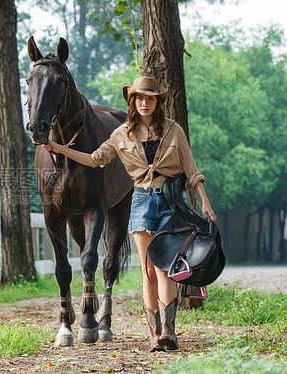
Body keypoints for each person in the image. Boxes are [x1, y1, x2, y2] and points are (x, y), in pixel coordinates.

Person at [42, 76, 216, 351]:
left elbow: (192, 170)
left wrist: (204, 202)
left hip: (171, 203)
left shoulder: (174, 131)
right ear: (132, 102)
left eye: (150, 98)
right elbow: (95, 159)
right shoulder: (122, 134)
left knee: (164, 268)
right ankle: (154, 332)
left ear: (158, 102)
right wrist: (60, 148)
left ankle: (169, 330)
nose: (144, 103)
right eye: (139, 98)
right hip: (142, 202)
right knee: (148, 269)